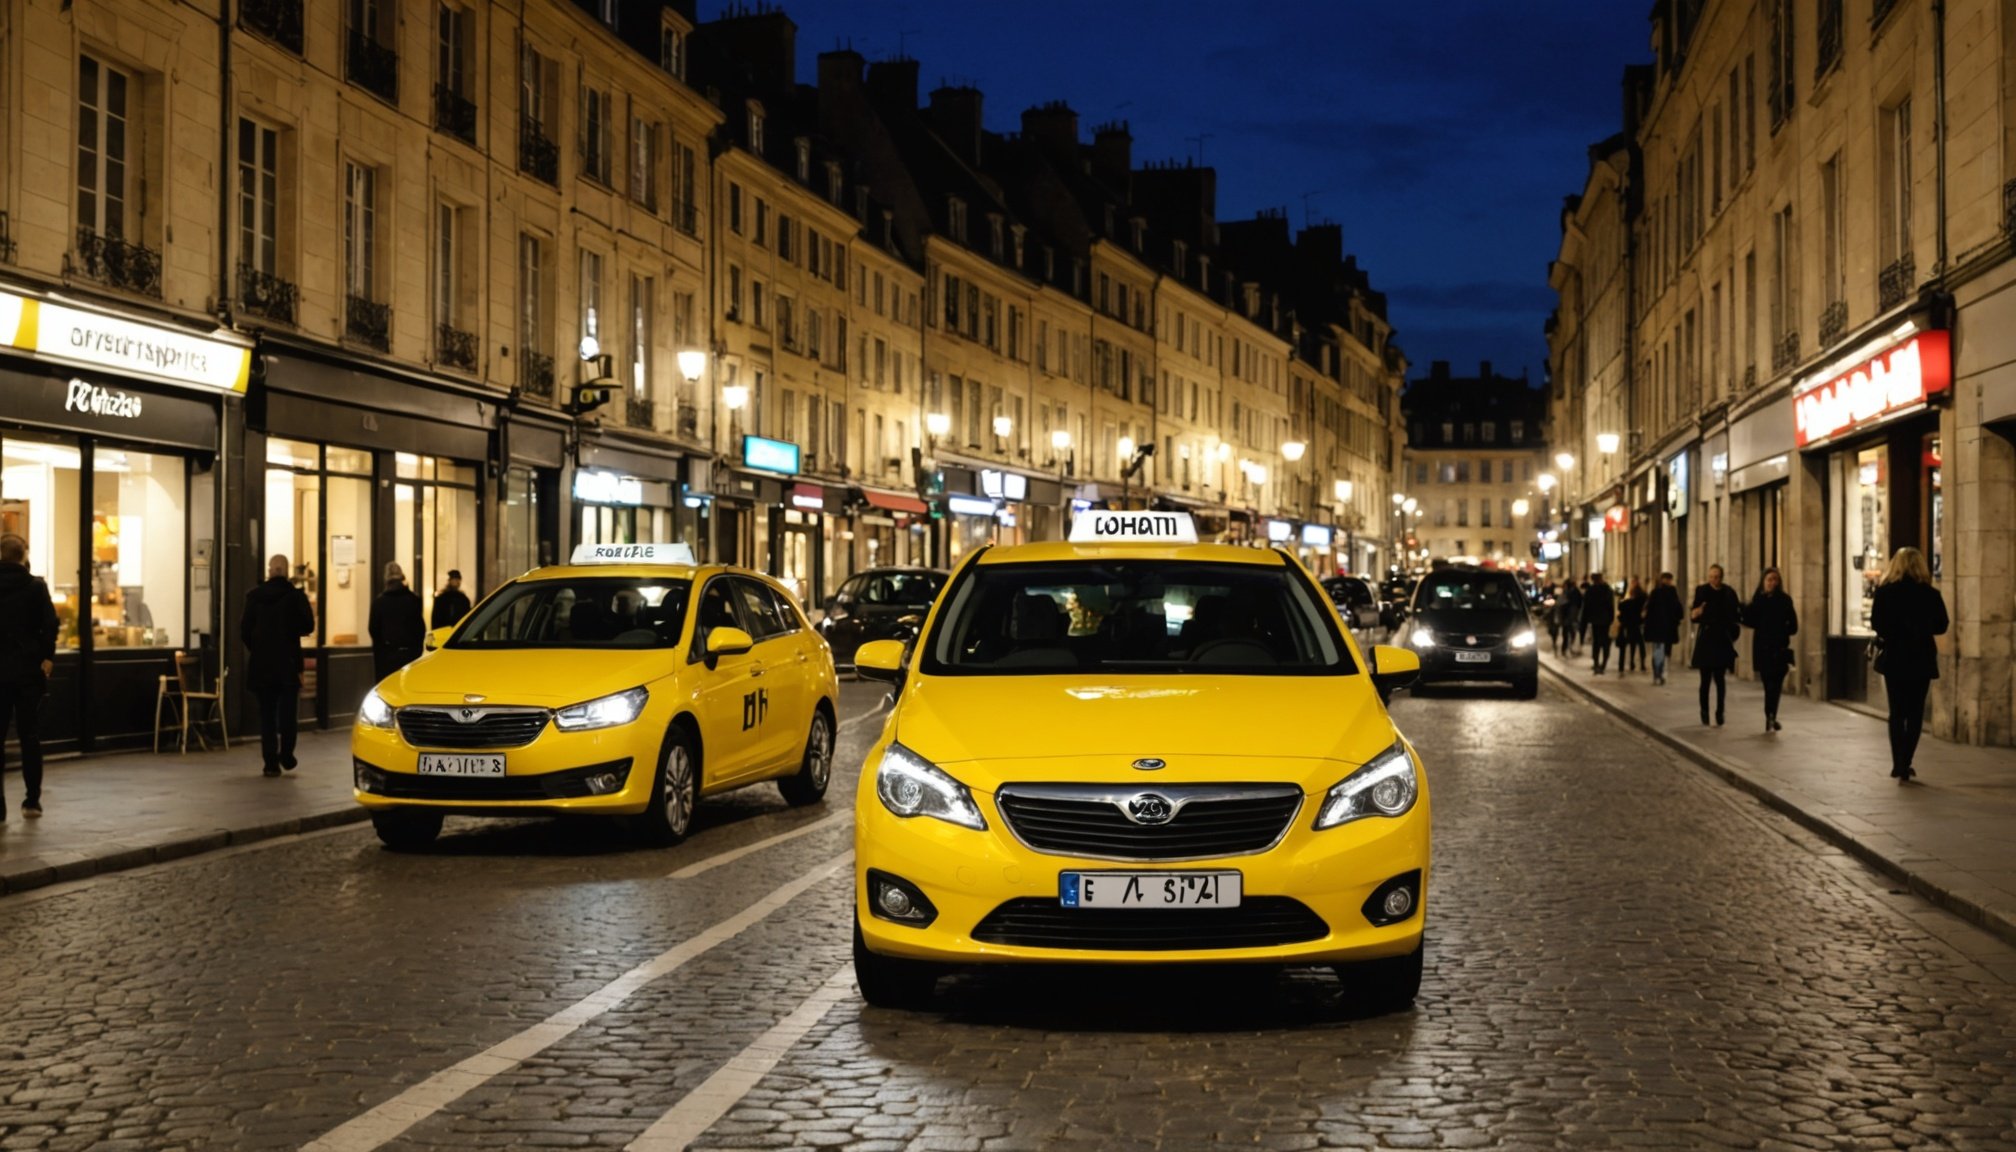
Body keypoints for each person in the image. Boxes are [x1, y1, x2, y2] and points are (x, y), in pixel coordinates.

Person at [1870, 546, 1948, 783]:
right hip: (1920, 657)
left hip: (1894, 657)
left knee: (1896, 712)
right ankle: (1907, 761)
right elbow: (1941, 625)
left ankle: (1897, 763)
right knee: (1915, 713)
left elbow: (1877, 623)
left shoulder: (1884, 592)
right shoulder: (1930, 594)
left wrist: (1894, 631)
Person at [0, 535, 58, 818]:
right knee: (30, 736)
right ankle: (31, 801)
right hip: (27, 673)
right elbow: (50, 624)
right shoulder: (36, 587)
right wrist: (47, 656)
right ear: (24, 556)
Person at [242, 553, 315, 777]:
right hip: (288, 662)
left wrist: (258, 648)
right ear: (286, 570)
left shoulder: (253, 597)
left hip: (262, 664)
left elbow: (245, 630)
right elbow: (308, 625)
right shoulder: (295, 597)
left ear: (269, 570)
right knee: (287, 713)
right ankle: (287, 755)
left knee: (267, 715)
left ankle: (270, 763)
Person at [1742, 567, 1799, 733]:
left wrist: (1782, 630)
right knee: (1768, 685)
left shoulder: (1785, 600)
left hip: (1779, 648)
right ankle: (1770, 714)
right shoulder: (1759, 600)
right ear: (1763, 582)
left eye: (1775, 579)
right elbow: (1749, 620)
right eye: (1769, 580)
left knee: (1777, 684)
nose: (1772, 583)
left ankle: (1771, 715)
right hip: (1763, 648)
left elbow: (1794, 626)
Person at [1689, 564, 1742, 726]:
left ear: (1722, 577)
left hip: (1721, 639)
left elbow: (1735, 615)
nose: (1714, 579)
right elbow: (1693, 614)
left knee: (1720, 679)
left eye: (1717, 576)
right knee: (1704, 680)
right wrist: (1696, 613)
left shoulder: (1728, 592)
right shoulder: (1702, 591)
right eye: (1711, 576)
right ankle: (1704, 711)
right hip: (1706, 638)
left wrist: (1731, 635)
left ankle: (1720, 711)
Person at [369, 562, 426, 681]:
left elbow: (373, 629)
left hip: (387, 657)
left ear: (386, 581)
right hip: (410, 656)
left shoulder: (379, 602)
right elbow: (420, 629)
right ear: (402, 578)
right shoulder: (413, 600)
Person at [1644, 572, 1683, 686]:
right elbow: (1678, 610)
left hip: (1657, 629)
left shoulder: (1655, 592)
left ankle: (1657, 674)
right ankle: (1660, 674)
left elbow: (1649, 609)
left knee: (1658, 651)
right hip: (1667, 629)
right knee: (1664, 653)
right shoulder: (1671, 593)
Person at [1583, 572, 1616, 675]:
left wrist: (1586, 620)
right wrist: (1611, 619)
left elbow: (1586, 607)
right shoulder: (1608, 590)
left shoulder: (1590, 591)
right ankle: (1603, 664)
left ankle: (1596, 664)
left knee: (1596, 643)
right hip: (1605, 620)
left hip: (1595, 621)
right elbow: (1611, 606)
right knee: (1606, 643)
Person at [1617, 577, 1648, 673]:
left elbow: (1620, 609)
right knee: (1639, 644)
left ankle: (1627, 664)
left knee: (1628, 645)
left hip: (1627, 625)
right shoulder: (1641, 600)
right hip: (1637, 624)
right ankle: (1641, 663)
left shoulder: (1627, 603)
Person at [1557, 577, 1584, 657]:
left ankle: (1567, 649)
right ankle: (1567, 649)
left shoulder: (1570, 593)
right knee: (1569, 634)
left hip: (1570, 617)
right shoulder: (1572, 592)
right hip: (1569, 617)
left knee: (1569, 634)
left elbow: (1562, 605)